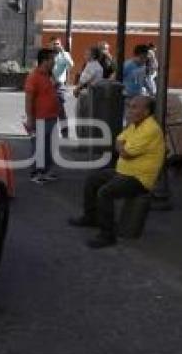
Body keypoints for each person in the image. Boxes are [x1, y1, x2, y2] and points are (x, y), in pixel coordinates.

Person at [69, 96, 165, 248]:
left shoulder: (150, 129)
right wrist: (121, 147)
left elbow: (126, 152)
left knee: (104, 192)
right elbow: (119, 140)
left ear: (146, 111)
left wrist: (121, 147)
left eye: (134, 107)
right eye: (129, 106)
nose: (129, 111)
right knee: (92, 179)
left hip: (139, 179)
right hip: (124, 172)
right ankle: (91, 217)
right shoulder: (135, 125)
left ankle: (107, 235)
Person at [25, 48, 61, 184]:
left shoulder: (49, 75)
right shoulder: (33, 76)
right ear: (45, 61)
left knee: (49, 146)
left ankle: (46, 171)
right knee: (39, 146)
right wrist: (29, 118)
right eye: (52, 59)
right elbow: (29, 99)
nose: (55, 62)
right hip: (39, 117)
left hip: (51, 116)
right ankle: (36, 173)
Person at [49, 37, 74, 135]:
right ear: (50, 45)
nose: (56, 46)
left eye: (57, 43)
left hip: (59, 86)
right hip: (48, 85)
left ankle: (65, 132)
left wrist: (63, 52)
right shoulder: (47, 55)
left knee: (60, 110)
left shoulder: (65, 55)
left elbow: (71, 65)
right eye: (54, 44)